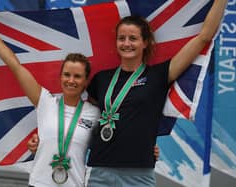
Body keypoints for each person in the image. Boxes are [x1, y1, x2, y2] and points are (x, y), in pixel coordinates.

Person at [85, 1, 227, 187]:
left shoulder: (159, 75)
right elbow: (85, 117)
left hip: (139, 174)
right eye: (122, 38)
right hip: (100, 171)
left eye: (133, 38)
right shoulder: (101, 79)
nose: (126, 43)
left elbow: (204, 37)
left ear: (145, 42)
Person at [0, 13, 101, 187]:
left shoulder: (94, 113)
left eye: (77, 76)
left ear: (86, 81)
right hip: (39, 183)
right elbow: (14, 65)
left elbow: (116, 138)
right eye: (67, 74)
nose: (71, 80)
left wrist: (147, 150)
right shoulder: (46, 102)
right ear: (60, 77)